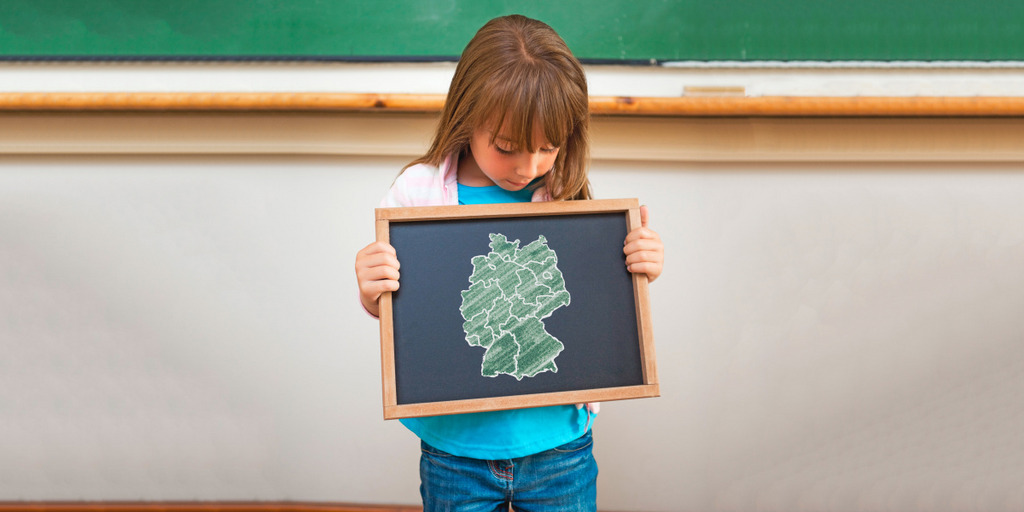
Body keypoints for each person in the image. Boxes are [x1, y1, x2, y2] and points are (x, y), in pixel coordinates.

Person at [354, 14, 664, 512]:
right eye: (507, 148)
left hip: (559, 447)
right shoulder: (418, 192)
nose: (528, 166)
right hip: (455, 453)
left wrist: (639, 265)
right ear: (466, 116)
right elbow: (404, 313)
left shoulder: (562, 192)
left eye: (548, 147)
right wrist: (371, 290)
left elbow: (594, 301)